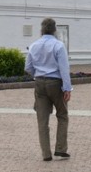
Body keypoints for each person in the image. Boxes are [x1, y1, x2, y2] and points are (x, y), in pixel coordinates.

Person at [25, 17, 72, 162]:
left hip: (40, 83)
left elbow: (28, 67)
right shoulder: (58, 45)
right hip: (56, 83)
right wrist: (67, 88)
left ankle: (46, 153)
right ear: (54, 29)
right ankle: (60, 149)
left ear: (42, 29)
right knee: (62, 115)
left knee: (42, 119)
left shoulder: (34, 45)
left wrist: (37, 76)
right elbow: (64, 68)